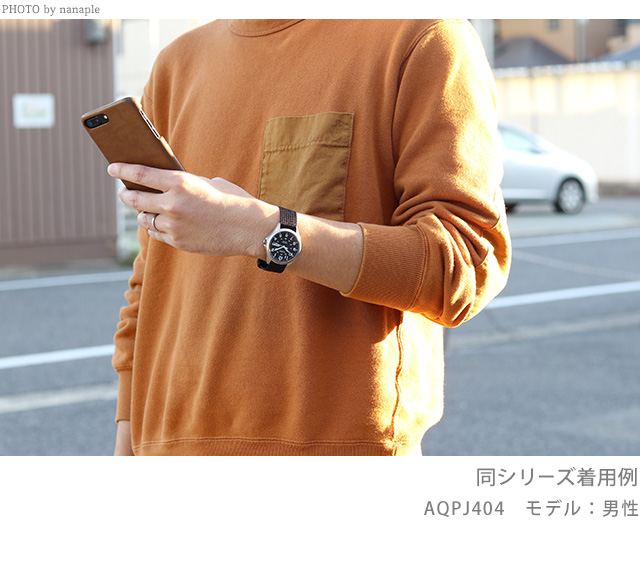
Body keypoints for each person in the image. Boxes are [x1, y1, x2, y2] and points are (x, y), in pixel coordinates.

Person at [110, 19, 511, 456]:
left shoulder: (421, 37)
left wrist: (261, 228)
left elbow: (461, 267)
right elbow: (150, 282)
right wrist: (127, 445)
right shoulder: (175, 65)